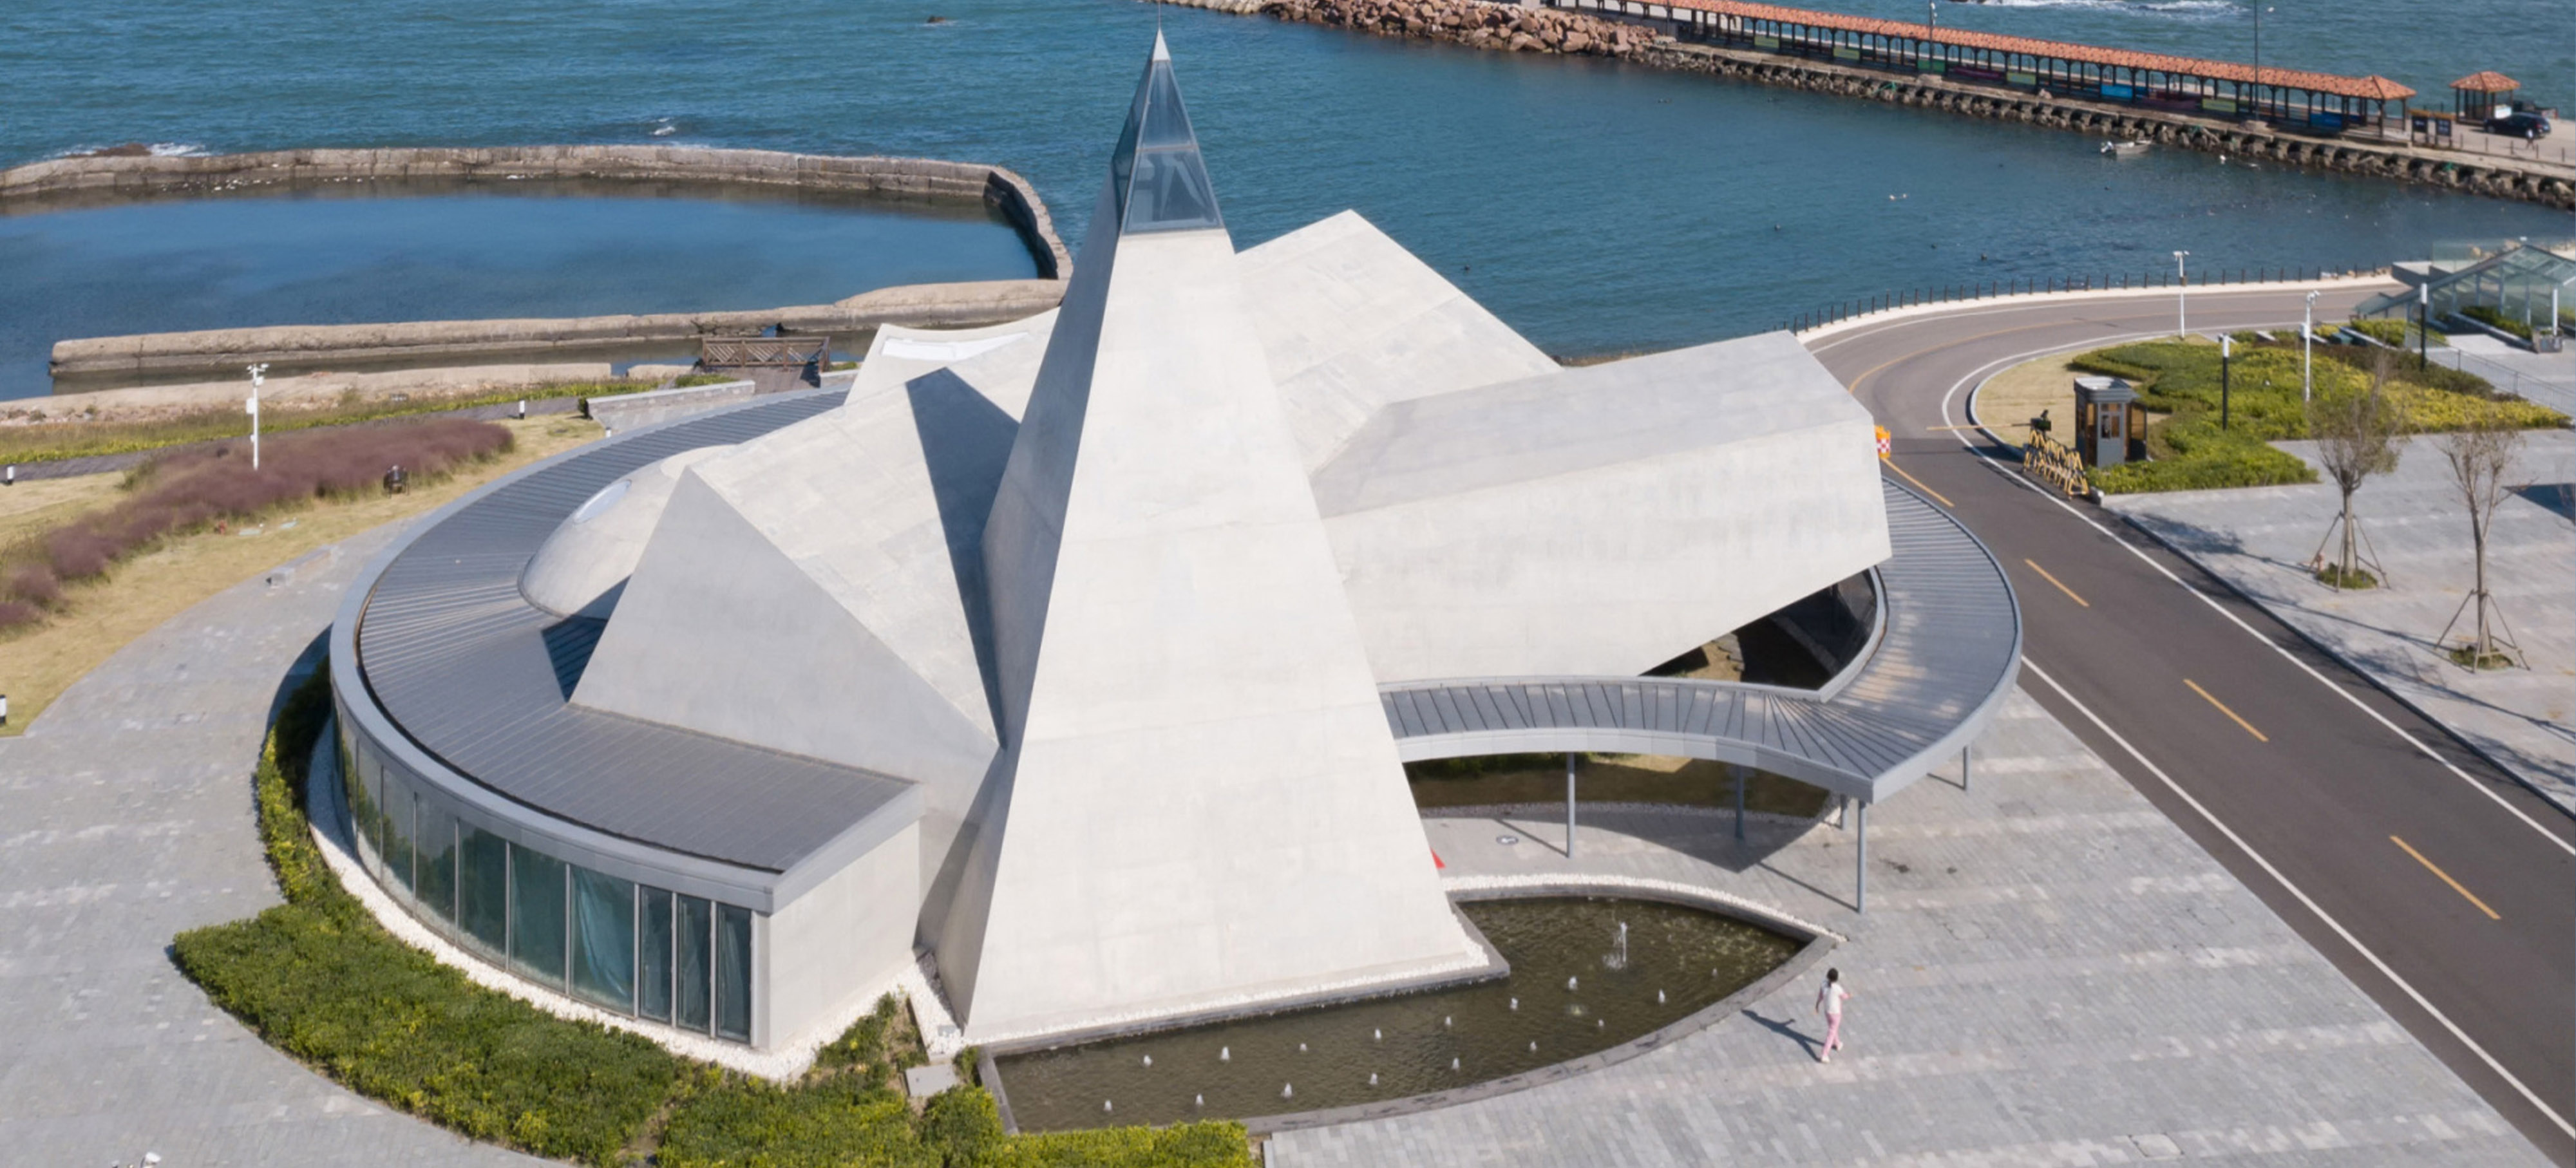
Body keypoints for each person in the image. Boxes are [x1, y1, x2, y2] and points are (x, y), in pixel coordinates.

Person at [1814, 967, 1850, 1062]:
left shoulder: (1823, 985)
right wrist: (1849, 995)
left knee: (1833, 1028)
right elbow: (1844, 996)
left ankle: (1837, 1044)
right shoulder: (1837, 988)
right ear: (1837, 978)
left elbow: (1820, 996)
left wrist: (1817, 1005)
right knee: (1831, 1032)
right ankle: (1824, 1054)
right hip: (1836, 1013)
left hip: (1827, 1011)